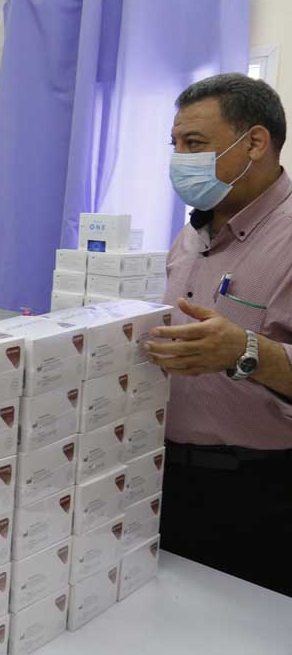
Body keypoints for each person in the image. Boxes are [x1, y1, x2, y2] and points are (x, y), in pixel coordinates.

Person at [147, 73, 292, 596]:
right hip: (169, 476)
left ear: (255, 142)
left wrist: (245, 351)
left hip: (259, 490)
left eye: (195, 145)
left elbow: (243, 351)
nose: (180, 160)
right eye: (176, 145)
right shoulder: (191, 234)